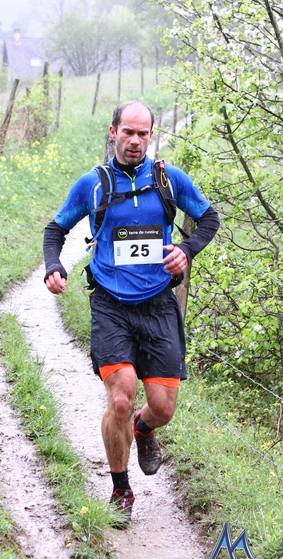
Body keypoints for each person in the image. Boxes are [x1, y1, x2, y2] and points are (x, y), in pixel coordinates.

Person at [43, 100, 220, 527]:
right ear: (113, 132)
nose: (136, 141)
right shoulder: (93, 184)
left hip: (158, 305)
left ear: (151, 135)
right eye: (128, 132)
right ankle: (121, 490)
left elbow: (210, 218)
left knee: (162, 408)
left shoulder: (169, 179)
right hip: (111, 305)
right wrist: (53, 265)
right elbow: (56, 228)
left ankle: (144, 429)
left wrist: (186, 250)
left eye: (143, 133)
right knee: (121, 397)